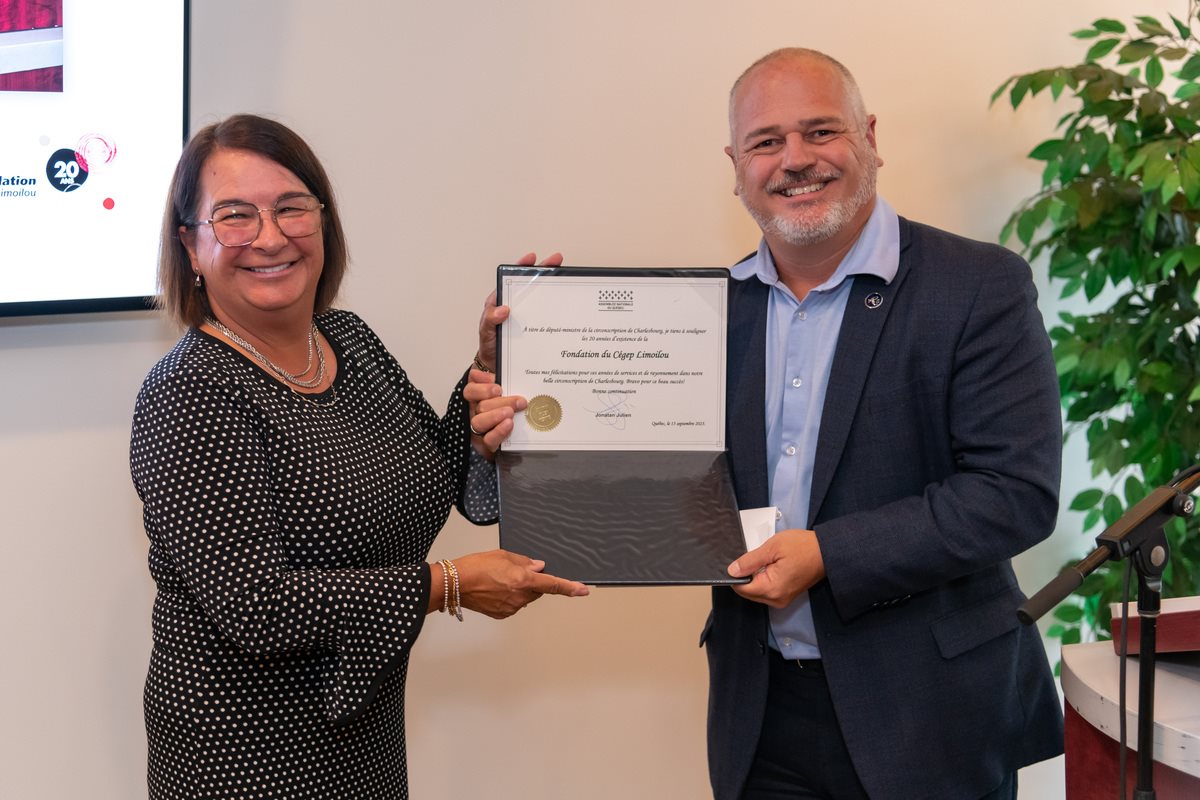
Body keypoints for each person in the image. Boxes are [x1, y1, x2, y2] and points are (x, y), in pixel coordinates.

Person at [129, 113, 588, 799]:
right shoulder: (190, 392)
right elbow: (256, 605)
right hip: (243, 755)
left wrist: (487, 371)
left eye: (292, 208)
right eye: (233, 217)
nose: (271, 236)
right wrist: (449, 585)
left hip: (358, 732)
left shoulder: (349, 340)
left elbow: (438, 476)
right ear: (190, 247)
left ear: (324, 222)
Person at [700, 49, 1065, 799]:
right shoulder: (708, 314)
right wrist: (532, 405)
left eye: (820, 131)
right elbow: (657, 474)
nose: (794, 160)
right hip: (760, 715)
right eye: (767, 142)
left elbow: (1014, 492)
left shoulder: (980, 285)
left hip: (932, 712)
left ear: (869, 136)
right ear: (736, 165)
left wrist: (828, 553)